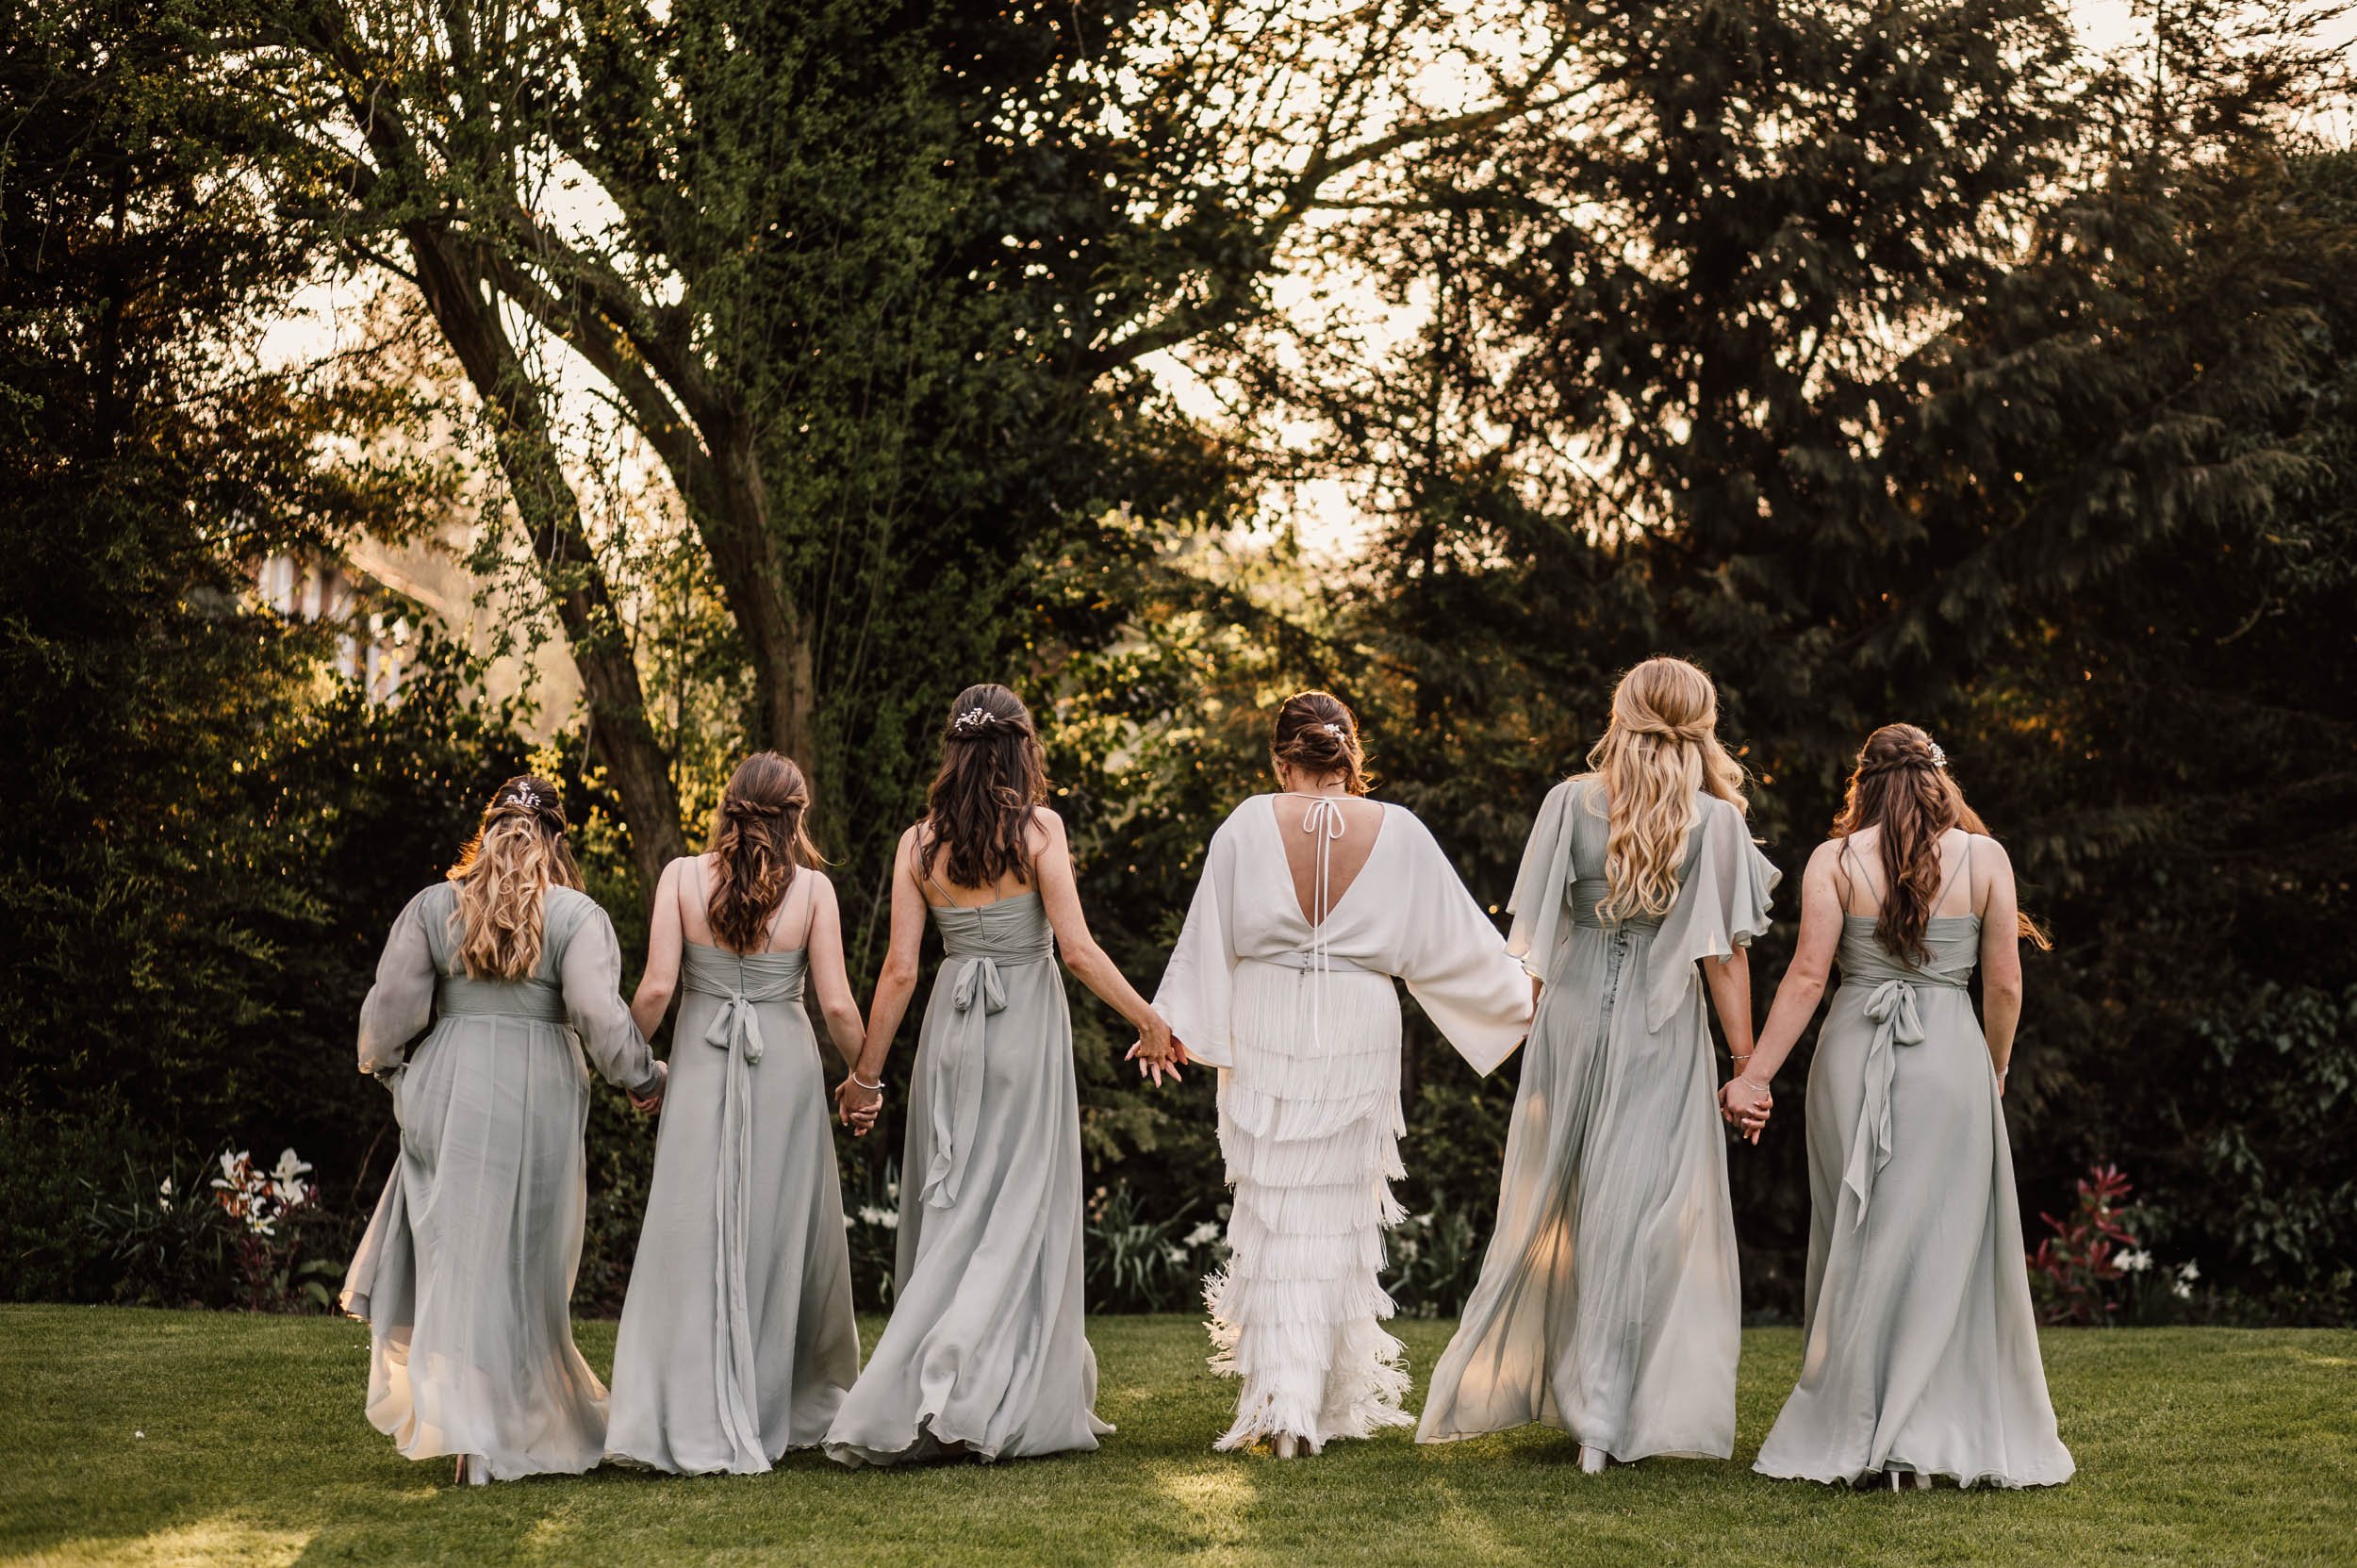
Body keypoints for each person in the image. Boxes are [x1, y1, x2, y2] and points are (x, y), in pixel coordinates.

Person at [1417, 656, 1778, 1471]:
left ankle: (1588, 1405)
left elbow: (1537, 941)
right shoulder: (1714, 823)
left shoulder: (1567, 802)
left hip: (1572, 1019)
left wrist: (1537, 1032)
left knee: (1567, 1201)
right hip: (1663, 1025)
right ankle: (1604, 1416)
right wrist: (1746, 1063)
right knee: (1637, 1211)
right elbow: (1724, 961)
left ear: (1622, 710)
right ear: (1701, 718)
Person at [1154, 691, 1534, 1458]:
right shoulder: (1401, 831)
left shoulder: (1244, 825)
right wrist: (1531, 991)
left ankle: (1287, 1404)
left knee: (1273, 1207)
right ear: (1350, 756)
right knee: (1335, 1213)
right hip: (1358, 1018)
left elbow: (1207, 939)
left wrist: (1172, 1026)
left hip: (1268, 1016)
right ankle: (1305, 1400)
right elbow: (1456, 943)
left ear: (1280, 759)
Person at [822, 684, 1177, 1466]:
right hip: (1023, 1029)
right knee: (1018, 1207)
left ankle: (934, 1383)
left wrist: (866, 1078)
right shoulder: (1040, 829)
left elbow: (901, 970)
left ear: (953, 752)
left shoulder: (918, 845)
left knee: (957, 1207)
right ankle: (969, 1382)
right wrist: (1147, 1018)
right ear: (1023, 748)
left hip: (955, 1027)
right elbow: (1077, 951)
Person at [1728, 723, 2073, 1490]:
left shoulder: (1835, 858)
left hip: (1853, 1053)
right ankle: (1922, 1434)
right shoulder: (1985, 858)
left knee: (1858, 1236)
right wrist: (1997, 1063)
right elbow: (2006, 982)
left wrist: (1756, 1075)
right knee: (1944, 1244)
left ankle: (1860, 1424)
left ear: (1864, 784)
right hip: (1950, 1056)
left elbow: (1809, 977)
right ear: (1938, 781)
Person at [342, 776, 665, 1485]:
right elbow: (597, 1012)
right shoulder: (575, 915)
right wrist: (644, 1076)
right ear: (557, 839)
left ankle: (473, 1433)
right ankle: (493, 1428)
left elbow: (388, 1013)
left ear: (486, 832)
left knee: (462, 1260)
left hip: (450, 1092)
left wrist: (397, 1075)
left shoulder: (434, 906)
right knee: (527, 1262)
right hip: (540, 1096)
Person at [605, 752, 866, 1474]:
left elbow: (657, 989)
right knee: (775, 1233)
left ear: (727, 807)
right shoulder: (813, 890)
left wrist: (633, 1064)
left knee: (692, 1227)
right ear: (796, 816)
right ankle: (766, 1400)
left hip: (701, 1069)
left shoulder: (681, 877)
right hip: (784, 1070)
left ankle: (677, 1402)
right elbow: (838, 1005)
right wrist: (865, 1079)